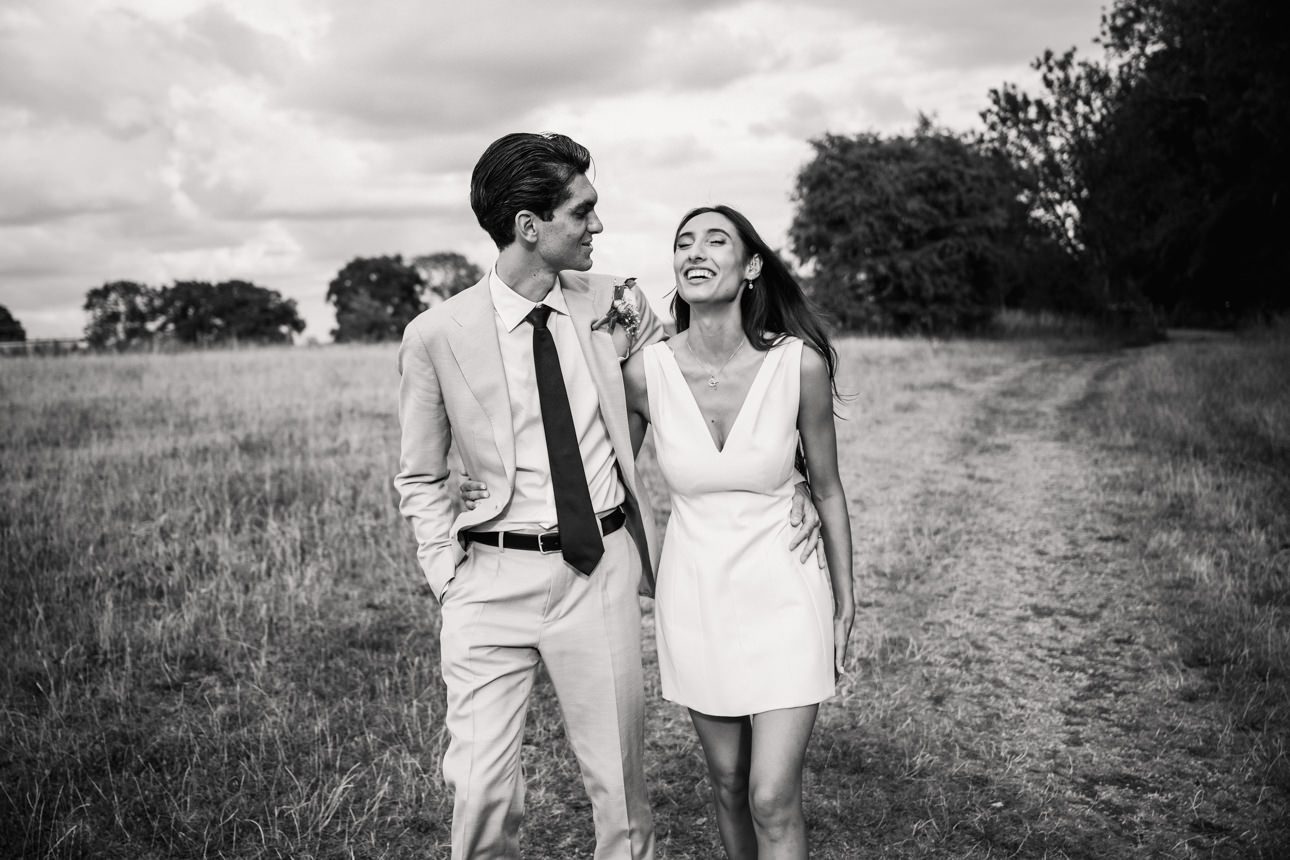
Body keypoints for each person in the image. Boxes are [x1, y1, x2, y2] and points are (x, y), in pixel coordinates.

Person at [395, 133, 822, 860]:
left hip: (598, 568)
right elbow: (419, 475)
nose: (598, 226)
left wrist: (796, 484)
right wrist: (447, 580)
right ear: (530, 226)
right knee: (481, 791)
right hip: (488, 583)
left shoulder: (619, 303)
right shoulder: (434, 334)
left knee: (621, 797)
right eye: (582, 212)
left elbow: (710, 385)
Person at [629, 205, 855, 859]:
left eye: (715, 240)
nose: (695, 252)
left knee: (769, 796)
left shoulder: (799, 365)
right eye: (683, 243)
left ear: (751, 266)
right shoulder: (645, 372)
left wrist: (846, 600)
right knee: (727, 784)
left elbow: (830, 486)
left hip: (786, 588)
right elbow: (602, 472)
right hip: (695, 596)